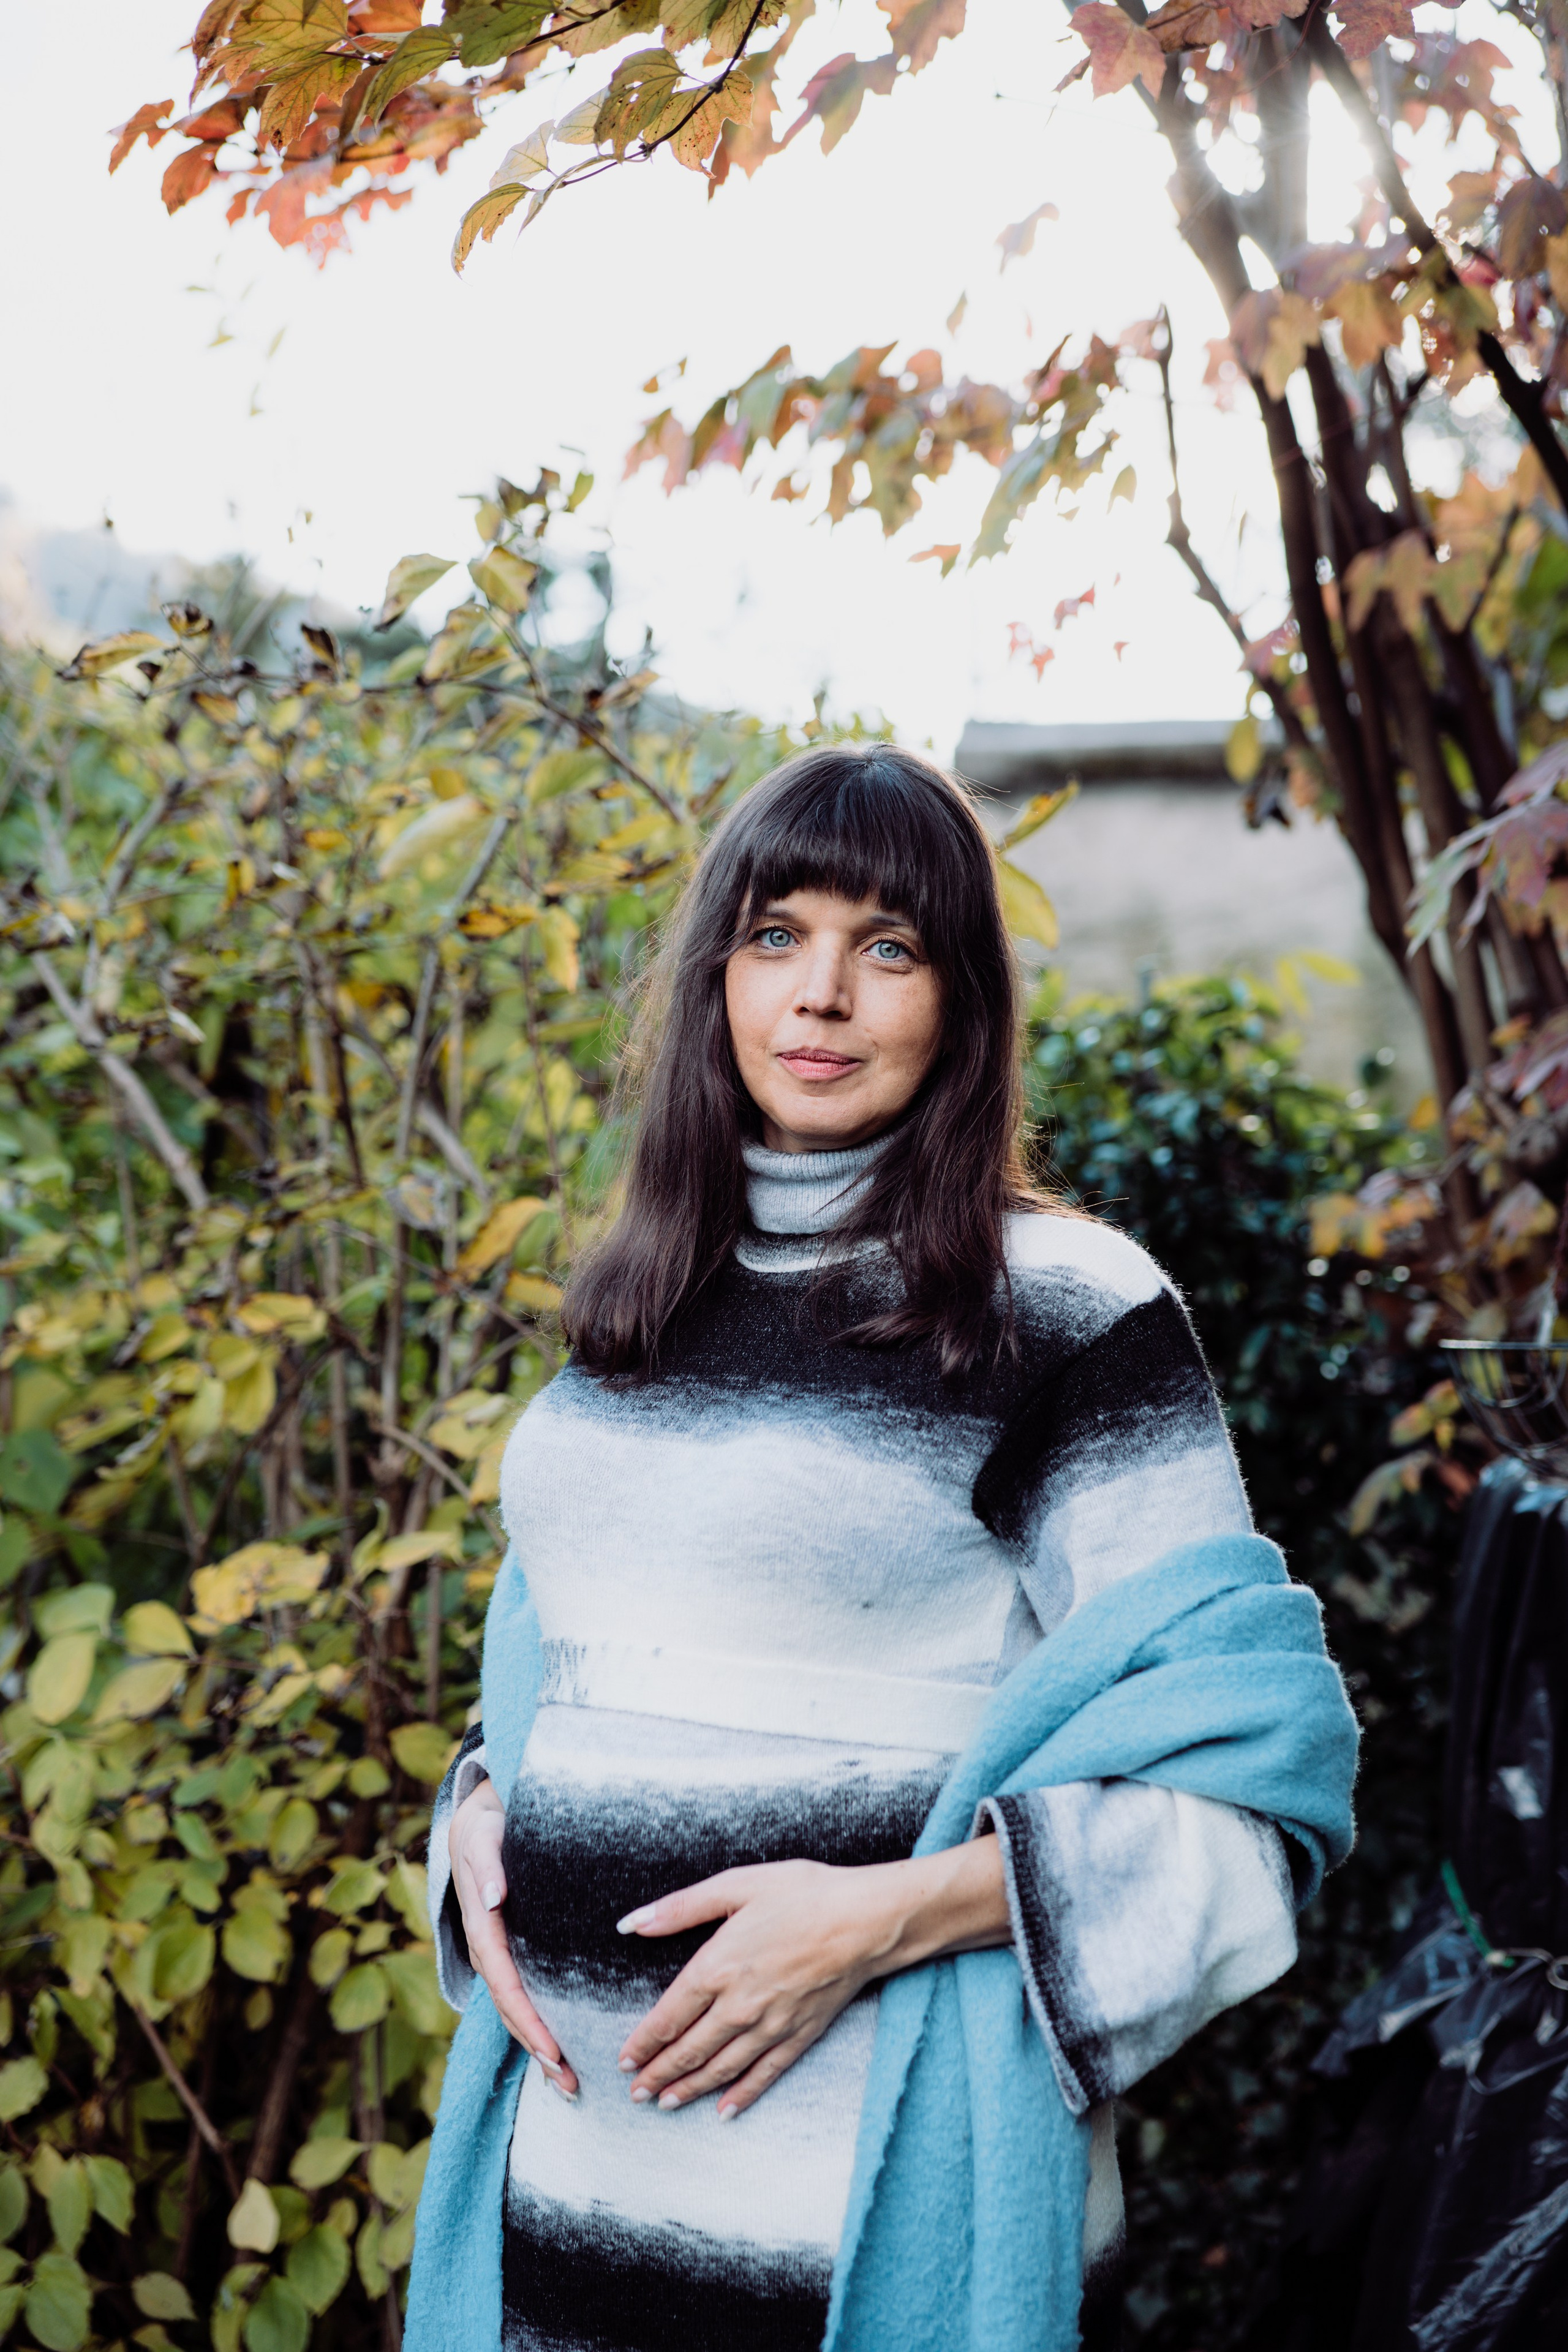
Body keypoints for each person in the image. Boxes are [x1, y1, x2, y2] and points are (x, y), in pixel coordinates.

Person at [413, 744, 1354, 2352]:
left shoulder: (1060, 1309)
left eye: (889, 946)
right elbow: (594, 1661)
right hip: (569, 2204)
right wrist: (486, 1821)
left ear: (961, 1000)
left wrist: (881, 1915)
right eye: (777, 936)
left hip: (858, 2226)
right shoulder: (646, 1300)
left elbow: (1246, 1802)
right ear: (716, 976)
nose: (823, 993)